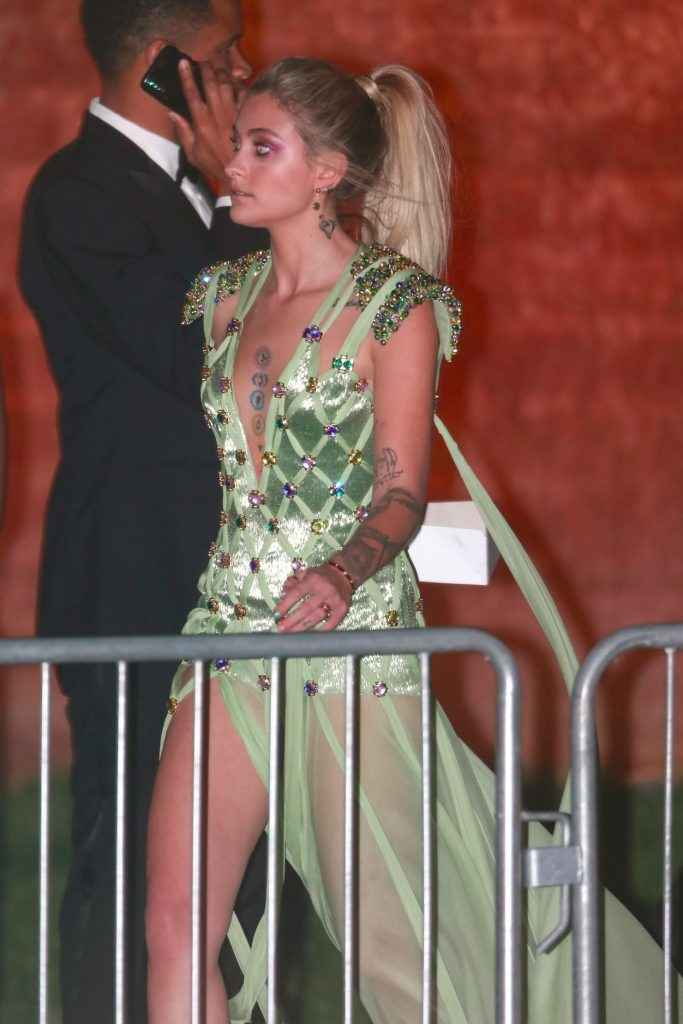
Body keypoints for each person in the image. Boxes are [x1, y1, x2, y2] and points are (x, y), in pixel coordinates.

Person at [146, 57, 682, 1023]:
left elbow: (401, 492)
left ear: (326, 173)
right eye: (236, 145)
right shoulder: (220, 295)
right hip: (225, 634)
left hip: (352, 648)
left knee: (393, 948)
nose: (235, 165)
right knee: (174, 924)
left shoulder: (394, 305)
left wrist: (341, 571)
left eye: (261, 147)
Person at [18, 2, 268, 1022]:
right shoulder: (79, 194)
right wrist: (233, 195)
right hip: (133, 578)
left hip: (233, 580)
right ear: (166, 66)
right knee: (128, 868)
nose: (244, 71)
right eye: (223, 56)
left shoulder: (209, 190)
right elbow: (203, 350)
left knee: (231, 880)